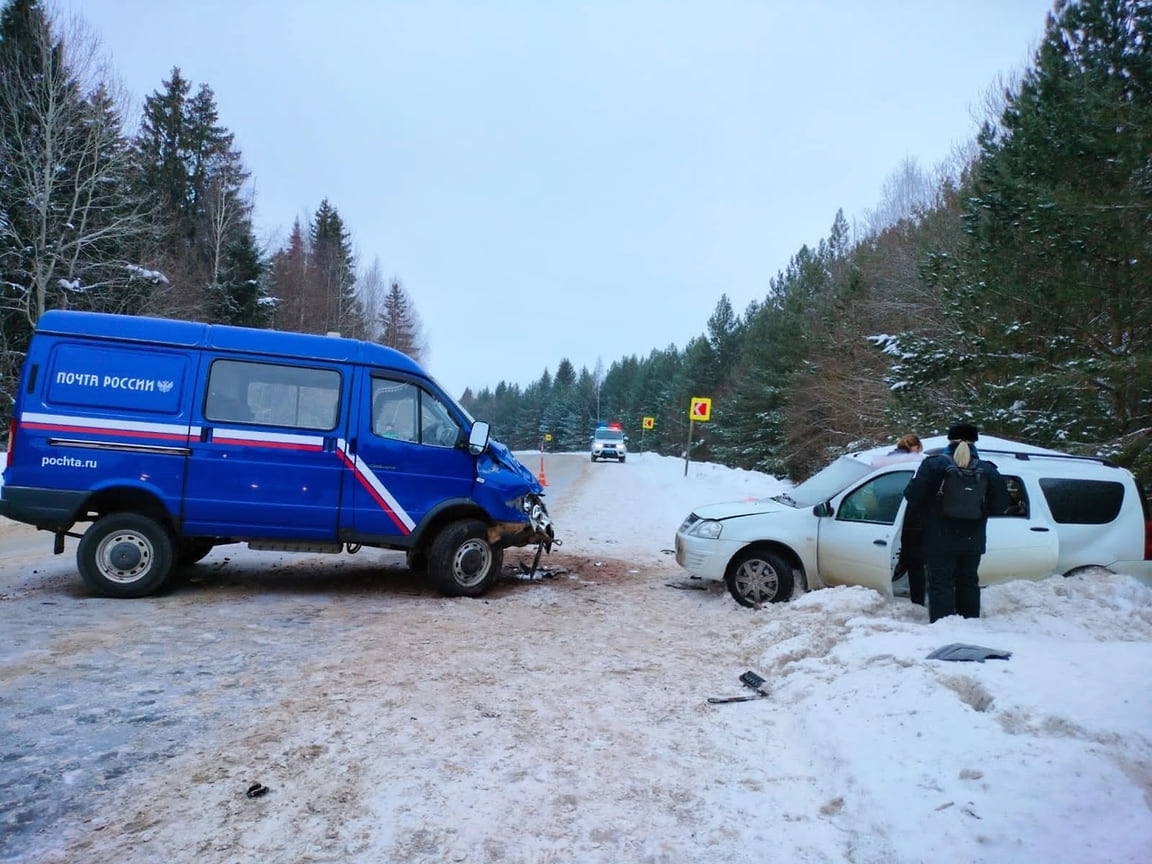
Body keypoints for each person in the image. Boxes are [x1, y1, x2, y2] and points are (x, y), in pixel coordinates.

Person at [902, 421, 1011, 623]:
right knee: (968, 582)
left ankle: (944, 627)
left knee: (940, 584)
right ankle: (969, 625)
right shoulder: (987, 469)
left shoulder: (933, 464)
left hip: (938, 538)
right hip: (973, 539)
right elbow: (1000, 505)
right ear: (975, 441)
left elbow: (912, 496)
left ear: (949, 439)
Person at [888, 434, 926, 606]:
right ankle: (916, 598)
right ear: (915, 447)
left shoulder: (889, 459)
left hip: (889, 511)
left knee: (906, 556)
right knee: (915, 561)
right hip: (906, 515)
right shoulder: (913, 462)